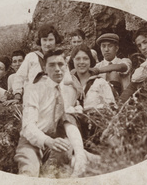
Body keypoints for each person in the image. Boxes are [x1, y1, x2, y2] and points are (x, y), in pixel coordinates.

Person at [14, 49, 97, 178]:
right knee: (30, 172)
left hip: (57, 140)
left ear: (66, 66)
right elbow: (28, 127)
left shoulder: (70, 91)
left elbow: (70, 117)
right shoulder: (34, 89)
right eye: (52, 65)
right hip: (32, 142)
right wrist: (48, 141)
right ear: (44, 68)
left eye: (60, 64)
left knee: (57, 169)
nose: (57, 69)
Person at [11, 24, 63, 103]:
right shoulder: (31, 57)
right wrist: (17, 95)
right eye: (44, 40)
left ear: (55, 40)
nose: (47, 43)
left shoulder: (61, 58)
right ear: (40, 41)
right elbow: (20, 77)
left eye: (51, 39)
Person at [68, 44, 115, 110]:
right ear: (73, 61)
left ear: (90, 61)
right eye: (78, 59)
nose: (81, 62)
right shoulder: (68, 83)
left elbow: (112, 108)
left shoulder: (100, 83)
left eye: (85, 58)